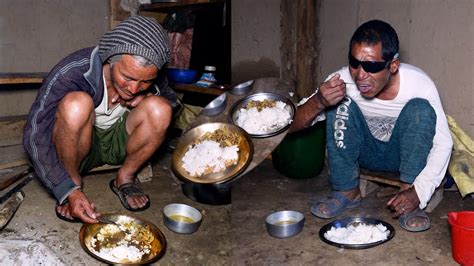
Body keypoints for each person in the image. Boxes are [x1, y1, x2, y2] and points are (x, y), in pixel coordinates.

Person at [290, 20, 453, 232]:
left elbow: (443, 144)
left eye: (372, 66)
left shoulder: (419, 85)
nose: (360, 75)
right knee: (341, 103)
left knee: (420, 110)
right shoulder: (342, 80)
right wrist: (318, 102)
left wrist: (419, 192)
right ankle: (346, 190)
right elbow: (290, 125)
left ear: (392, 65)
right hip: (364, 153)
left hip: (404, 157)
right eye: (354, 63)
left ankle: (407, 194)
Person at [23, 15, 176, 223]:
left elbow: (173, 104)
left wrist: (149, 94)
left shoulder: (152, 78)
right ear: (110, 60)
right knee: (76, 104)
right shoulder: (74, 70)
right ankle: (73, 182)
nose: (133, 89)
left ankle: (125, 178)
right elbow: (35, 132)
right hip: (79, 147)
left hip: (122, 144)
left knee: (161, 109)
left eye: (145, 81)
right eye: (128, 77)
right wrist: (65, 188)